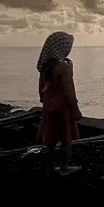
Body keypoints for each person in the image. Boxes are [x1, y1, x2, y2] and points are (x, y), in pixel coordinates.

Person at [36, 31, 82, 176]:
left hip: (49, 104)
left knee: (50, 139)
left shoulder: (45, 67)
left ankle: (50, 169)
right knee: (66, 138)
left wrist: (46, 102)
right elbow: (69, 91)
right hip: (63, 106)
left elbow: (41, 90)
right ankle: (64, 167)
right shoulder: (64, 67)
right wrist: (75, 108)